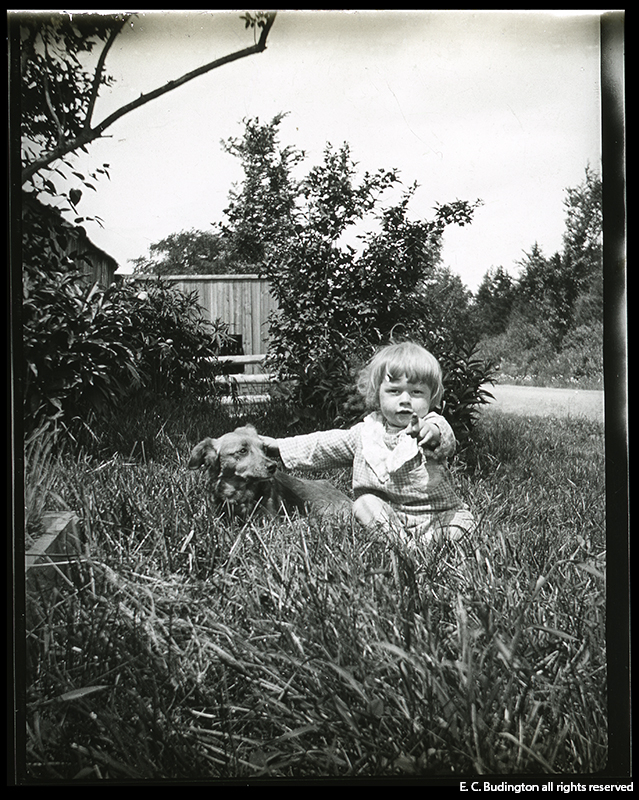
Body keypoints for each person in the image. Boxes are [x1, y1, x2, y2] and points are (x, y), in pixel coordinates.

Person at [261, 341, 475, 551]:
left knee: (458, 530)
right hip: (390, 518)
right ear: (377, 394)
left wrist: (430, 432)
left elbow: (445, 440)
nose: (405, 399)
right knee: (364, 503)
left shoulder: (431, 424)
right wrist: (279, 447)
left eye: (417, 392)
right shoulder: (366, 434)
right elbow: (322, 446)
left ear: (432, 397)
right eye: (394, 391)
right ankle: (404, 546)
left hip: (438, 516)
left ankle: (426, 542)